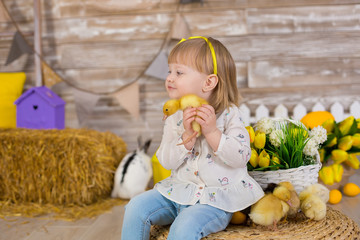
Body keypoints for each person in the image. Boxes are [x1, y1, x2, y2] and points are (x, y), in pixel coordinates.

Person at [121, 36, 264, 240]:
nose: (170, 78)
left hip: (214, 201)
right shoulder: (175, 116)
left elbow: (241, 157)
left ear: (209, 82)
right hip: (177, 191)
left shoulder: (230, 114)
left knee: (184, 226)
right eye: (169, 71)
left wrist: (213, 132)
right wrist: (186, 138)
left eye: (179, 72)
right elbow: (165, 160)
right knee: (135, 207)